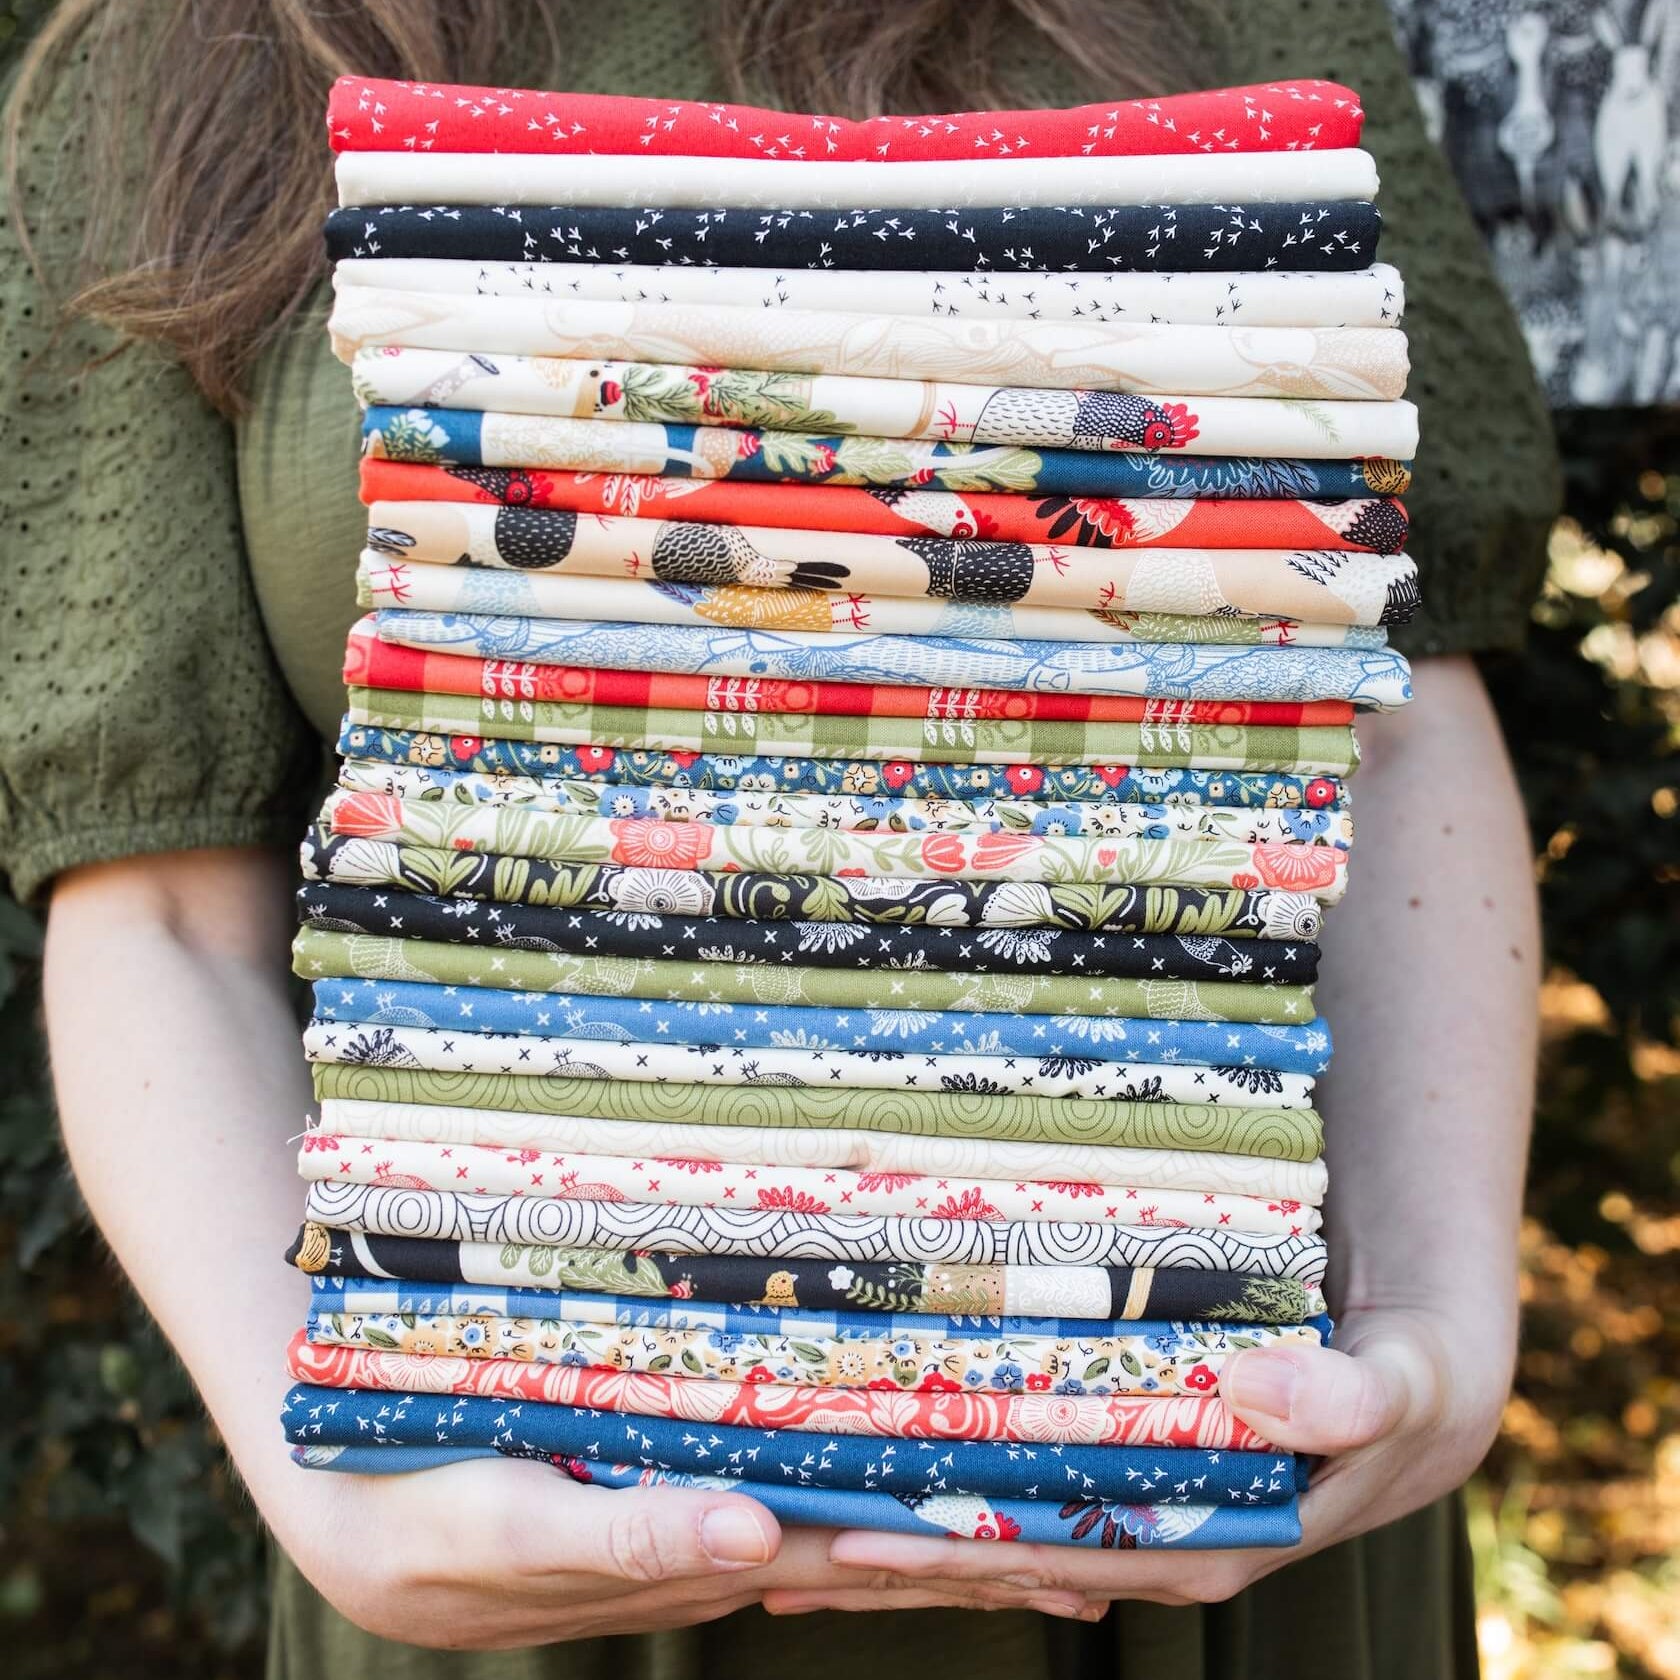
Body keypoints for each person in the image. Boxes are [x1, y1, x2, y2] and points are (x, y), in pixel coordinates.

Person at [0, 0, 1553, 1674]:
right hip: (508, 1488)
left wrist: (1433, 1325)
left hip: (1214, 1444)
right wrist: (341, 1494)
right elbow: (155, 898)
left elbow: (1386, 709)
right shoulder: (181, 56)